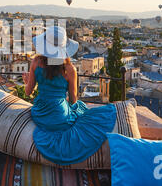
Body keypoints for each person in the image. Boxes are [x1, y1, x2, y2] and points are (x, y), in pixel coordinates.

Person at [22, 25, 117, 166]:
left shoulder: (36, 62)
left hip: (40, 114)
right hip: (60, 117)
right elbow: (73, 100)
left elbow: (28, 92)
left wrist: (26, 81)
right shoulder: (69, 69)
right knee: (81, 108)